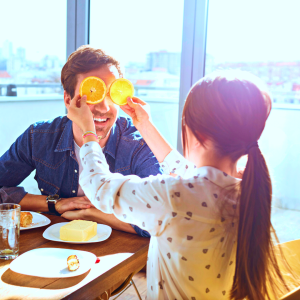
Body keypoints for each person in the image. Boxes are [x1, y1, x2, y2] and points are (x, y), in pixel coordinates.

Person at [67, 70, 297, 300]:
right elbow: (191, 177)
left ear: (195, 133)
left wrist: (88, 130)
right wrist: (144, 125)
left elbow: (99, 187)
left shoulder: (173, 197)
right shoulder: (247, 187)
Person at [0, 45, 162, 237]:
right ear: (68, 100)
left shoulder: (138, 143)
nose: (104, 107)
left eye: (111, 94)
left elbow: (162, 217)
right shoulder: (39, 137)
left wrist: (91, 214)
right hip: (53, 246)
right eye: (92, 94)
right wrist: (53, 203)